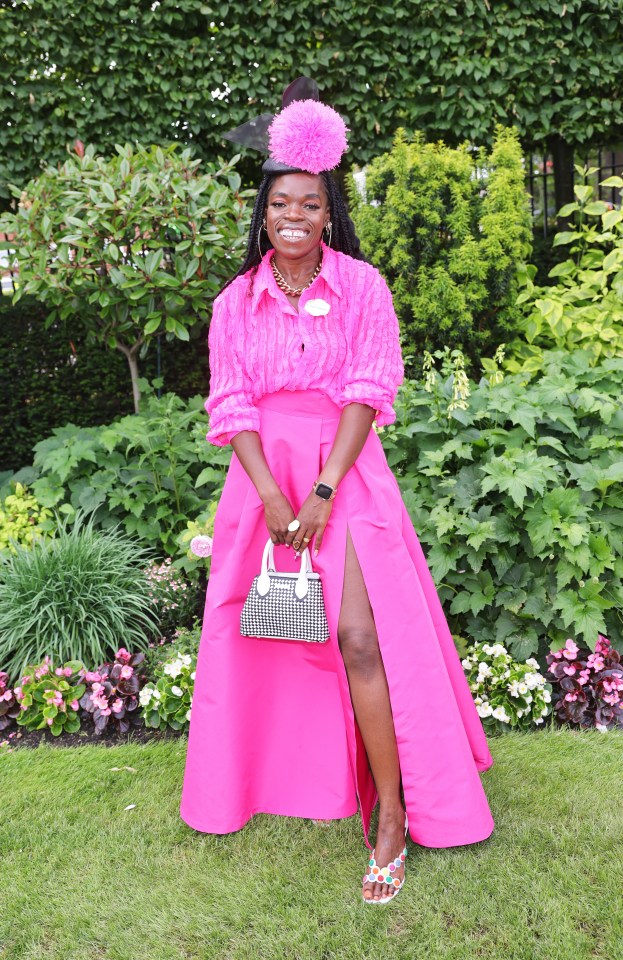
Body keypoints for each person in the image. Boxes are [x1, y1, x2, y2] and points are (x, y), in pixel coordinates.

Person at [179, 79, 495, 905]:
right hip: (262, 481)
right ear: (264, 211)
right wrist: (274, 499)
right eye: (280, 202)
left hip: (343, 471)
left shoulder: (362, 287)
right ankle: (253, 783)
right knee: (266, 636)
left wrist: (319, 490)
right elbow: (231, 403)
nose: (294, 216)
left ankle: (391, 816)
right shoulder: (233, 302)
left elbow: (367, 390)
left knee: (357, 635)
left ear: (327, 213)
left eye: (309, 205)